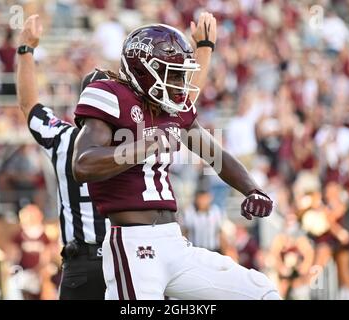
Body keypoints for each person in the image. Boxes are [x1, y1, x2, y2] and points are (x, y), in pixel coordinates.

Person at [72, 15, 280, 299]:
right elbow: (83, 164)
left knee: (262, 293)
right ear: (146, 70)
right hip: (133, 244)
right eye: (175, 74)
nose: (182, 83)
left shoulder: (172, 105)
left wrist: (252, 189)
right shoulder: (109, 94)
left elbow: (215, 155)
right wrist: (144, 145)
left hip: (174, 241)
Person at [16, 15, 109, 300]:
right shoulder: (129, 142)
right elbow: (181, 113)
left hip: (81, 263)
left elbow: (29, 104)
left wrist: (26, 50)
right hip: (123, 262)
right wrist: (204, 48)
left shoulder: (62, 139)